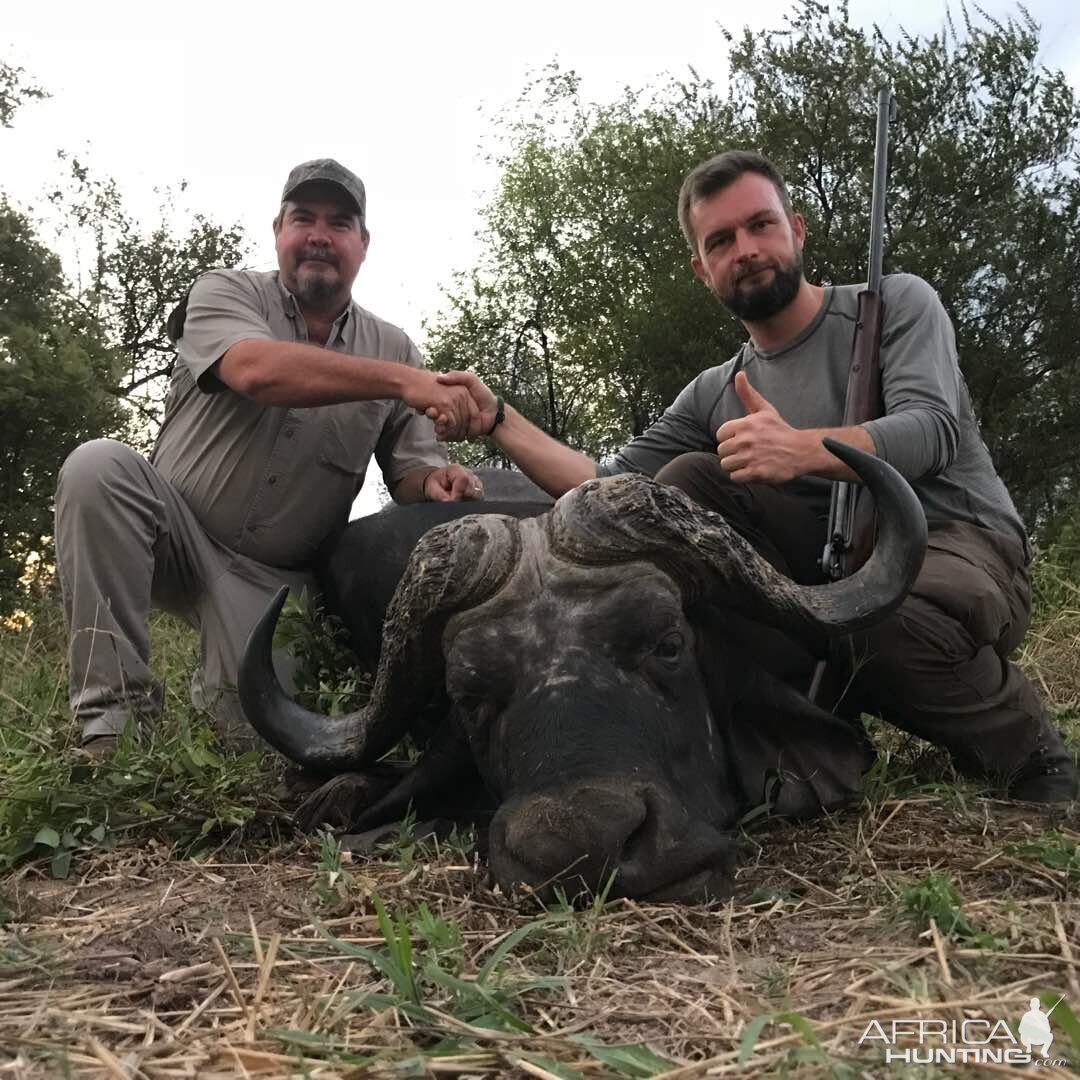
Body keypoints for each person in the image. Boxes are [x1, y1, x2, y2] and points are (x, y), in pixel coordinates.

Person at [434, 150, 1077, 803]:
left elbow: (934, 430)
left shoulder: (899, 304)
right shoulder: (714, 391)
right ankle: (806, 737)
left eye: (760, 226)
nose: (745, 248)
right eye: (721, 240)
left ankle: (1033, 756)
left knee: (874, 618)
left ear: (796, 230)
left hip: (957, 544)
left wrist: (804, 450)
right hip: (821, 583)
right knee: (682, 484)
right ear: (702, 268)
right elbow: (606, 485)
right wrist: (498, 420)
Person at [55, 158, 485, 757]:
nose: (318, 235)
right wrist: (406, 381)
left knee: (262, 748)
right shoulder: (225, 292)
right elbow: (255, 369)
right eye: (302, 217)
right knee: (96, 467)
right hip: (172, 533)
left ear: (363, 244)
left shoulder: (395, 347)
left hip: (276, 583)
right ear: (278, 230)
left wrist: (437, 480)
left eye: (339, 223)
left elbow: (411, 473)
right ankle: (112, 725)